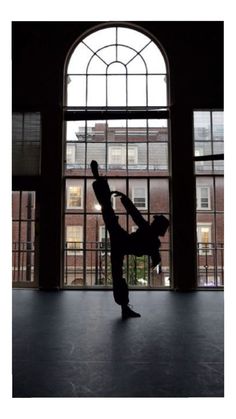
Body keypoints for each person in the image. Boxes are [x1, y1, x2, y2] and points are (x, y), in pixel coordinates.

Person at [91, 160, 169, 319]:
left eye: (156, 220)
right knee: (108, 214)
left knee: (108, 214)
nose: (153, 220)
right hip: (122, 242)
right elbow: (135, 215)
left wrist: (125, 199)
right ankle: (124, 307)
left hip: (122, 241)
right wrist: (124, 199)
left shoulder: (150, 234)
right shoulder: (153, 239)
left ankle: (99, 180)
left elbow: (135, 215)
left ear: (157, 225)